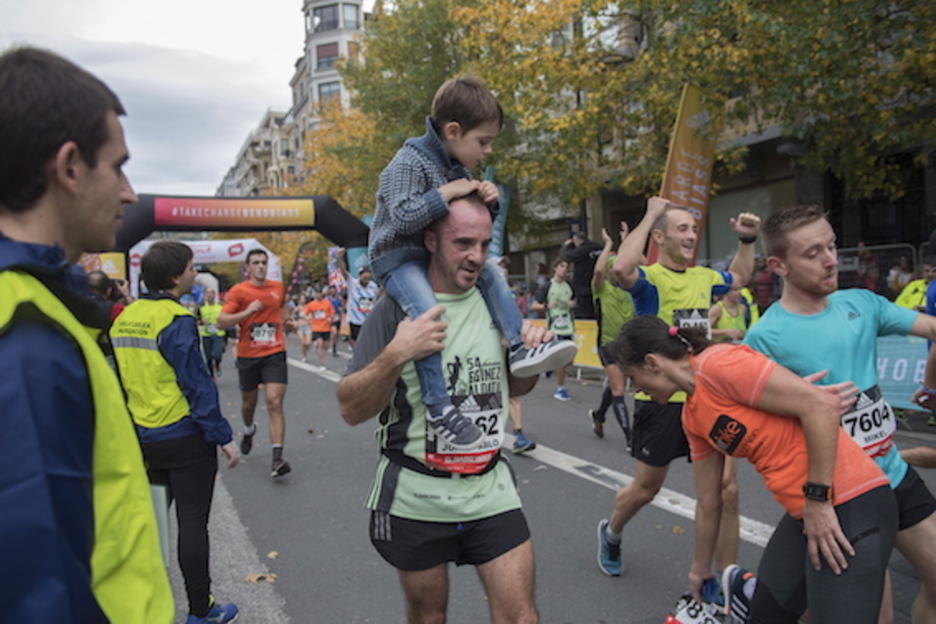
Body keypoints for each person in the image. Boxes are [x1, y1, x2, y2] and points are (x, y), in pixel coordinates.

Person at [0, 46, 172, 622]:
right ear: (70, 167)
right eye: (118, 165)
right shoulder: (27, 340)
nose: (128, 192)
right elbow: (37, 591)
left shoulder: (38, 304)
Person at [337, 194, 546, 623]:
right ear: (430, 240)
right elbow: (350, 408)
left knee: (521, 616)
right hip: (418, 497)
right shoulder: (396, 308)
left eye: (485, 245)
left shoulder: (496, 300)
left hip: (489, 489)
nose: (476, 257)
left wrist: (532, 355)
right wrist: (397, 353)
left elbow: (517, 385)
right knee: (429, 616)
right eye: (463, 243)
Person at [611, 316, 897, 623]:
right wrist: (700, 569)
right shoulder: (692, 416)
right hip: (808, 513)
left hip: (850, 502)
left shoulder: (718, 363)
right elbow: (709, 501)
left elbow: (820, 406)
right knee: (764, 615)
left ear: (652, 363)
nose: (634, 388)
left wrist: (818, 499)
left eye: (632, 377)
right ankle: (743, 589)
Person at [745, 204, 936, 624]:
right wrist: (800, 402)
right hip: (842, 493)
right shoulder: (765, 338)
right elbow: (757, 430)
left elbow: (931, 328)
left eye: (831, 246)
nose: (831, 259)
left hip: (893, 475)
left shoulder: (862, 303)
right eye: (813, 253)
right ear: (779, 265)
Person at [367, 74, 576, 449]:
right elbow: (402, 216)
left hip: (429, 252)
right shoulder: (408, 161)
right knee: (429, 316)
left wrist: (488, 201)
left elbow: (466, 225)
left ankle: (518, 345)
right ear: (452, 130)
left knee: (492, 273)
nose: (487, 151)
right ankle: (439, 405)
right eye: (483, 141)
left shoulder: (454, 166)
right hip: (397, 257)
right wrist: (449, 190)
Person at [597, 196, 760, 578]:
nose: (691, 236)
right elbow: (621, 266)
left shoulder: (704, 277)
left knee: (726, 492)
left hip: (705, 393)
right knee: (646, 488)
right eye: (682, 229)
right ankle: (612, 532)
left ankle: (725, 579)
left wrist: (747, 241)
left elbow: (741, 277)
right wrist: (652, 212)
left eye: (693, 229)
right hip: (661, 397)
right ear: (660, 237)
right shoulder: (651, 279)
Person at [111, 241, 240, 624]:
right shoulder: (176, 318)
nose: (194, 273)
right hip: (184, 437)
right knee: (191, 524)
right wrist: (223, 437)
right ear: (173, 276)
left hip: (143, 437)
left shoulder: (124, 318)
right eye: (190, 268)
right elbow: (197, 384)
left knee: (150, 527)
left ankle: (138, 606)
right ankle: (201, 611)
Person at [217, 248, 297, 478]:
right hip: (247, 355)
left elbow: (282, 309)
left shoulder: (277, 288)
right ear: (248, 267)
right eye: (256, 263)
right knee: (248, 404)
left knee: (274, 402)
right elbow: (221, 321)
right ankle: (249, 429)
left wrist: (288, 322)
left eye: (263, 262)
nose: (261, 266)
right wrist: (247, 313)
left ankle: (277, 459)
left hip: (274, 352)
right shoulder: (239, 291)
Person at [588, 224, 635, 441]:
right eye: (613, 267)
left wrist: (627, 244)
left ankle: (599, 415)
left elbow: (634, 264)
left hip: (628, 344)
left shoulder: (630, 288)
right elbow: (598, 270)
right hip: (608, 344)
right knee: (619, 390)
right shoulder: (601, 288)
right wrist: (609, 244)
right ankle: (630, 438)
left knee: (616, 385)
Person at [497, 255, 537, 454]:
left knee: (515, 395)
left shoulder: (510, 294)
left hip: (506, 349)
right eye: (499, 265)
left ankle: (519, 436)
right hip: (485, 354)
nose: (503, 269)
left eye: (505, 265)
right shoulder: (478, 294)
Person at [532, 257, 578, 401]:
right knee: (562, 361)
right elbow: (534, 305)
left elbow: (575, 302)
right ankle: (560, 389)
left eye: (567, 267)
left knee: (570, 360)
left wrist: (571, 304)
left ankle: (550, 367)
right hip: (555, 328)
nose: (565, 269)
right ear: (556, 268)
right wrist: (547, 306)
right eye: (562, 266)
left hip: (569, 326)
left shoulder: (570, 285)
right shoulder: (547, 286)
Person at [338, 249, 379, 349]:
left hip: (368, 320)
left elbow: (376, 300)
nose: (367, 281)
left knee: (369, 344)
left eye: (368, 279)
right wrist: (340, 258)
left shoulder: (373, 286)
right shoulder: (352, 283)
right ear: (359, 276)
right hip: (355, 320)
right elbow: (343, 271)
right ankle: (357, 359)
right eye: (365, 279)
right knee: (357, 344)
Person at [562, 230, 604, 319]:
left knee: (585, 313)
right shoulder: (598, 247)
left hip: (584, 286)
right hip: (599, 284)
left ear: (577, 240)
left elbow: (568, 256)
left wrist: (566, 246)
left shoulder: (583, 250)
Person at [303, 287, 335, 370]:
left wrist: (331, 318)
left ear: (322, 294)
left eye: (320, 293)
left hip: (326, 327)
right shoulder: (311, 304)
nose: (318, 295)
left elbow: (332, 313)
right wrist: (307, 318)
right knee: (320, 344)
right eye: (317, 293)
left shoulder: (327, 303)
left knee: (326, 347)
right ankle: (322, 364)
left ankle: (317, 346)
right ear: (315, 294)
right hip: (316, 327)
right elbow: (304, 313)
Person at [199, 287, 226, 379]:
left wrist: (221, 323)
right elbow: (195, 320)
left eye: (212, 293)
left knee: (217, 354)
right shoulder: (201, 307)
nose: (210, 295)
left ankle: (217, 364)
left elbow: (227, 318)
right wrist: (201, 321)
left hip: (218, 334)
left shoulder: (221, 306)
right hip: (206, 334)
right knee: (209, 357)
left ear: (215, 295)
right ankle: (211, 375)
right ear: (205, 295)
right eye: (208, 293)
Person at [294, 292, 313, 362]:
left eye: (304, 299)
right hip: (300, 326)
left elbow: (311, 315)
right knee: (303, 342)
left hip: (307, 326)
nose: (302, 300)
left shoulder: (308, 306)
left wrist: (309, 318)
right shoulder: (297, 308)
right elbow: (292, 315)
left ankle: (307, 348)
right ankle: (304, 356)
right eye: (301, 299)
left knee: (308, 343)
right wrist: (294, 321)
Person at [326, 284, 343, 356]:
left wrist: (342, 309)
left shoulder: (339, 298)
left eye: (334, 290)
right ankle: (329, 344)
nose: (333, 291)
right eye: (331, 290)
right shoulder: (327, 299)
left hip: (338, 317)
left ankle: (334, 347)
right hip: (330, 318)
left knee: (337, 334)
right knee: (334, 332)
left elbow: (343, 306)